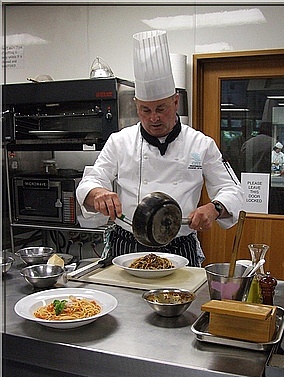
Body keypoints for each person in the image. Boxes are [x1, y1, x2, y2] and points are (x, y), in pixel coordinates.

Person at [76, 30, 244, 267]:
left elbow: (232, 189)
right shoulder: (119, 142)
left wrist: (215, 207)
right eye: (145, 110)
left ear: (176, 101)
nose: (154, 118)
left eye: (161, 108)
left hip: (179, 247)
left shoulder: (201, 144)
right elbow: (89, 183)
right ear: (136, 106)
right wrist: (98, 194)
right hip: (127, 245)